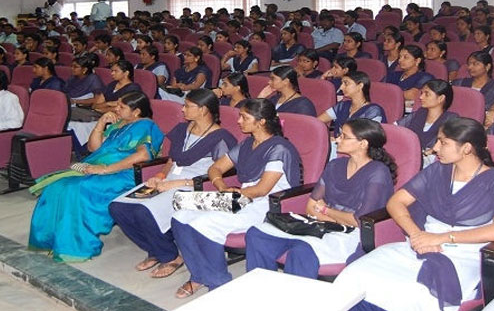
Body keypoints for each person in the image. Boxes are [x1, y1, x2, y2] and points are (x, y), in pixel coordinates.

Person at [332, 117, 494, 311]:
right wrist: (416, 234)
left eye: (443, 143)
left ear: (466, 148)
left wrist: (441, 238)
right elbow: (396, 202)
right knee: (356, 273)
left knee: (410, 292)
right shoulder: (438, 170)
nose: (435, 148)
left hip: (462, 253)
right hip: (419, 243)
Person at [170, 98, 302, 297]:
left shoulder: (278, 148)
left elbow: (261, 189)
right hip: (240, 196)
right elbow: (215, 168)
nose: (238, 121)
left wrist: (235, 194)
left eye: (244, 117)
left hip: (267, 204)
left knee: (204, 224)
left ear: (261, 121)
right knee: (180, 215)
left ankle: (218, 282)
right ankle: (199, 274)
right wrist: (222, 186)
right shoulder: (248, 143)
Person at [109, 89, 237, 278]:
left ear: (203, 110)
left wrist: (176, 183)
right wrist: (161, 174)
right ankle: (155, 249)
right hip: (169, 180)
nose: (182, 109)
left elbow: (221, 173)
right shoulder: (183, 129)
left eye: (187, 106)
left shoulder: (220, 138)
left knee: (143, 211)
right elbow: (172, 159)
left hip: (195, 186)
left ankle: (170, 256)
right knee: (118, 207)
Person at [246, 119, 396, 278]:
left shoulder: (378, 172)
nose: (337, 139)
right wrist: (331, 217)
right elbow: (310, 206)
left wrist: (325, 210)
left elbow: (358, 220)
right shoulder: (335, 165)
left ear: (363, 144)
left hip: (350, 235)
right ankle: (263, 286)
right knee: (257, 235)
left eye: (344, 137)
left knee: (302, 251)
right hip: (321, 224)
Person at [28, 92, 163, 262]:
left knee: (76, 189)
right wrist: (101, 124)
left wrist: (106, 169)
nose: (116, 108)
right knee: (57, 186)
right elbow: (94, 148)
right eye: (117, 104)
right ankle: (48, 240)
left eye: (121, 107)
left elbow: (143, 156)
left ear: (136, 112)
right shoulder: (119, 124)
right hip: (99, 167)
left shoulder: (147, 126)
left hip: (124, 173)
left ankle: (74, 246)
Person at [397, 80, 458, 166]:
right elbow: (395, 128)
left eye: (427, 94)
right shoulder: (419, 113)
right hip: (406, 155)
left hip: (430, 163)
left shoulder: (451, 119)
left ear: (441, 98)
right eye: (422, 93)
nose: (421, 97)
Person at [318, 71, 387, 136]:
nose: (341, 87)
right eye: (342, 83)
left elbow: (370, 138)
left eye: (346, 83)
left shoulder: (373, 111)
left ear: (360, 86)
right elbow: (317, 122)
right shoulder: (342, 106)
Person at [453, 51, 494, 127]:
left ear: (487, 67)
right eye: (469, 64)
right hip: (456, 121)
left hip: (481, 125)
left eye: (475, 64)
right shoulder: (459, 83)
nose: (470, 67)